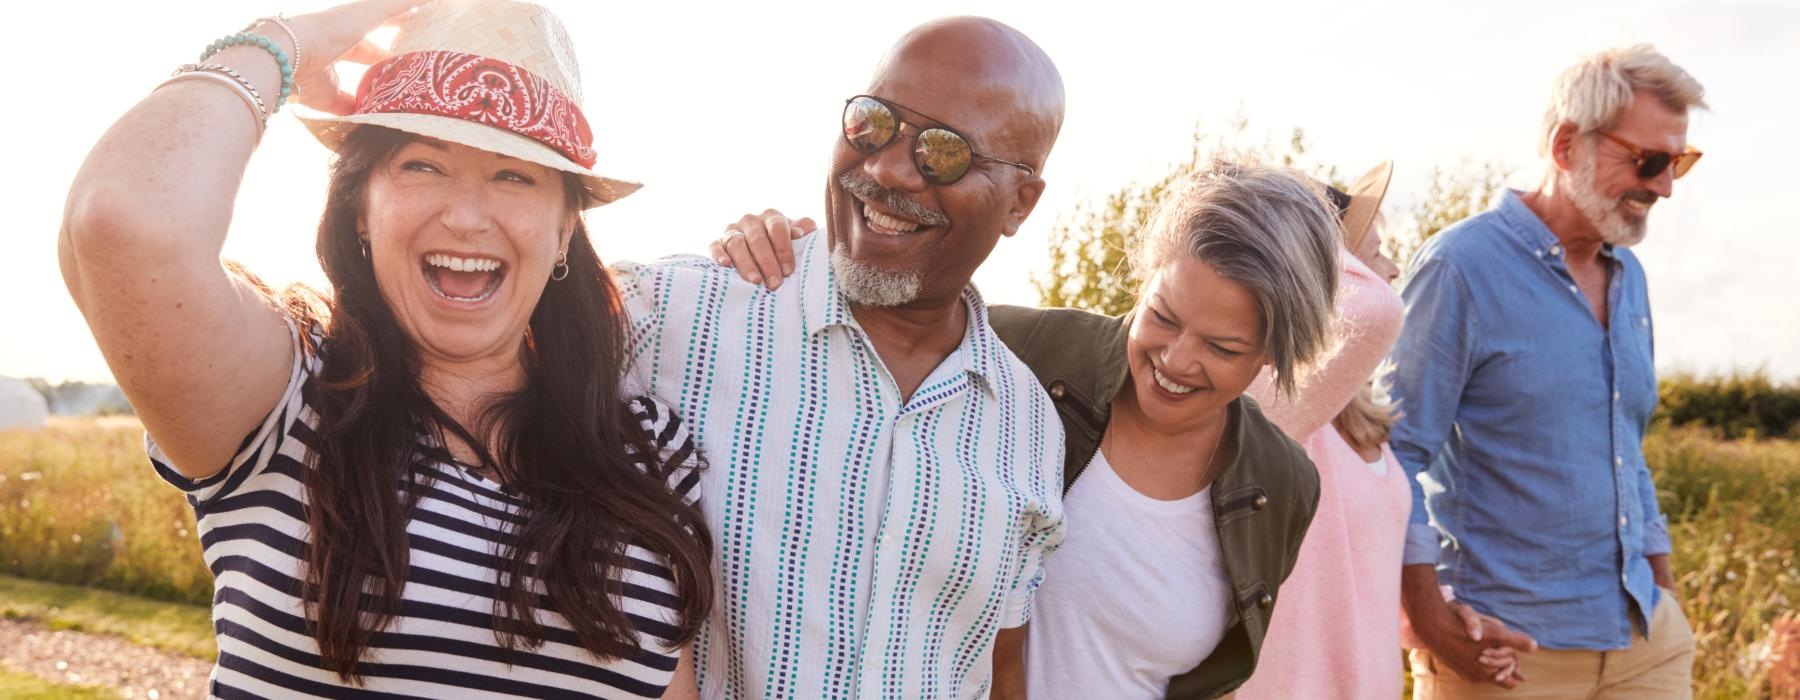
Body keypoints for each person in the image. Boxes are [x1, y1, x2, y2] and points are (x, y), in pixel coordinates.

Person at [58, 1, 711, 696]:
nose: (465, 216)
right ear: (360, 210)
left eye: (513, 175)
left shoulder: (648, 454)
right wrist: (286, 43)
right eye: (422, 165)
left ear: (562, 231)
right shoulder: (286, 401)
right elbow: (125, 220)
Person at [716, 158, 1351, 698]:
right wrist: (776, 246)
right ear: (1144, 280)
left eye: (1222, 347)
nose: (1177, 361)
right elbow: (847, 321)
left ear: (1275, 353)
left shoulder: (1283, 482)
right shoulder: (1013, 351)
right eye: (1162, 315)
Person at [611, 17, 1068, 699]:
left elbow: (996, 673)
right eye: (872, 123)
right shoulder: (669, 318)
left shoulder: (1030, 428)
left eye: (943, 152)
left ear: (1020, 203)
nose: (886, 168)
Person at [1390, 44, 1706, 699]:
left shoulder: (1630, 278)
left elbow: (1627, 452)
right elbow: (1394, 451)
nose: (1664, 186)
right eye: (1648, 161)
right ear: (1567, 145)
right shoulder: (1459, 268)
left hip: (1645, 645)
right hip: (1507, 655)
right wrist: (1427, 618)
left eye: (1677, 163)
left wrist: (1666, 597)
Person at [1233, 163, 1530, 699]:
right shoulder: (1273, 405)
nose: (1392, 270)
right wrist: (1292, 232)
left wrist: (1433, 620)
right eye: (1372, 256)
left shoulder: (1358, 416)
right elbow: (1374, 308)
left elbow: (1351, 568)